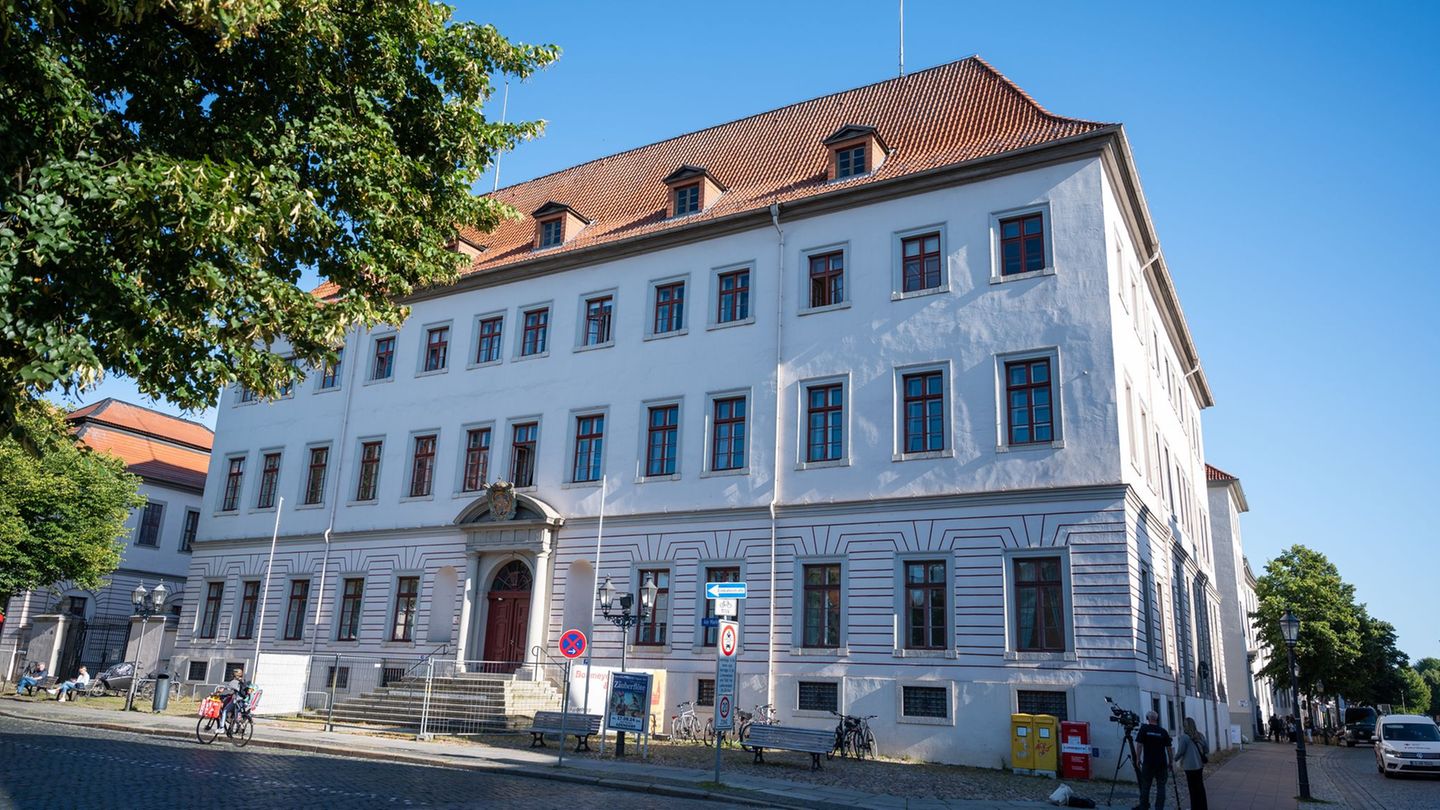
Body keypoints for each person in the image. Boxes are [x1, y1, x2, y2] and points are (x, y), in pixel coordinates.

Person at [1135, 710, 1174, 810]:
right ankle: (1159, 807)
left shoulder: (1144, 729)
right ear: (1157, 719)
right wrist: (1171, 761)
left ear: (1148, 719)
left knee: (1146, 785)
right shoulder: (1163, 731)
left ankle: (1144, 806)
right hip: (1161, 762)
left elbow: (1139, 745)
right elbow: (1169, 748)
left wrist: (1138, 758)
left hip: (1148, 762)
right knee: (1161, 786)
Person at [1174, 716, 1209, 810]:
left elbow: (1180, 752)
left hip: (1189, 766)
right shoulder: (1200, 735)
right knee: (1200, 787)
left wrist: (1174, 759)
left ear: (1185, 726)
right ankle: (1203, 807)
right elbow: (1206, 749)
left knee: (1192, 789)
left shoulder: (1184, 737)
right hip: (1199, 765)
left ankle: (1195, 807)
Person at [218, 667, 251, 733]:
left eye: (233, 674)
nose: (232, 675)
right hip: (242, 701)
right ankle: (239, 728)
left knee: (225, 711)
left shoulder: (234, 682)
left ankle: (221, 728)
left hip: (236, 701)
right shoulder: (243, 681)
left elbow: (228, 687)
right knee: (237, 715)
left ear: (235, 675)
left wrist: (222, 689)